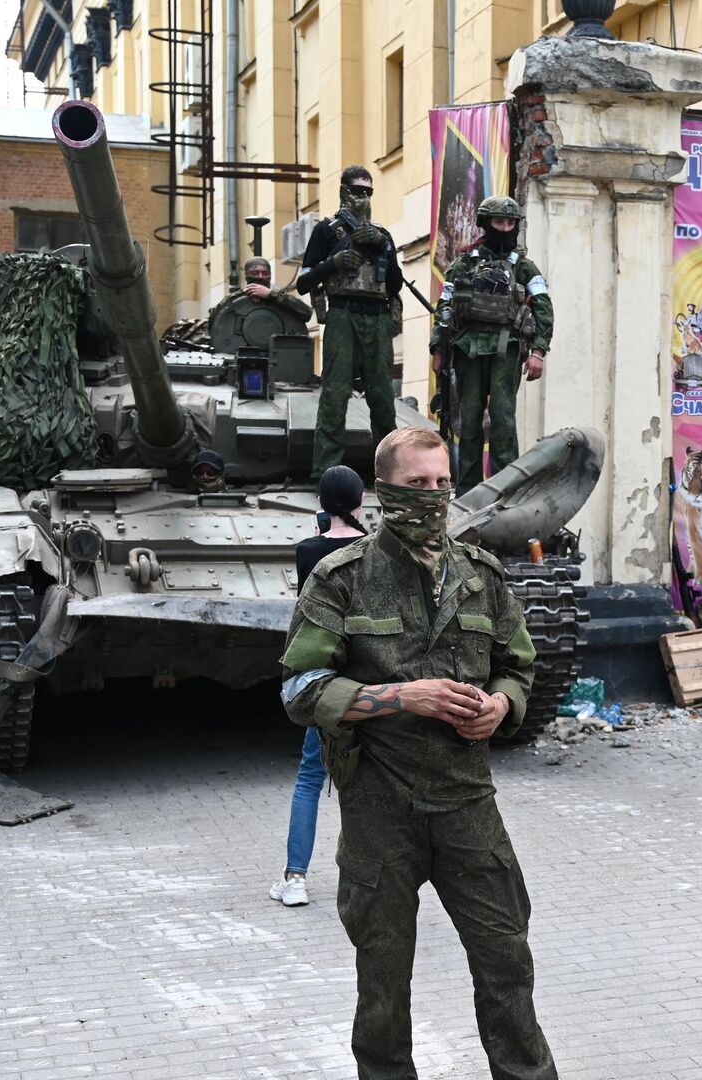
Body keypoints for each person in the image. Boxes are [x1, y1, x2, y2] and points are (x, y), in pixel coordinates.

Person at [278, 427, 556, 1078]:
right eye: (415, 486)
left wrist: (502, 707)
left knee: (507, 965)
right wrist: (403, 697)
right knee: (383, 990)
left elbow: (519, 667)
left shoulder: (480, 575)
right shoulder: (341, 578)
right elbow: (299, 687)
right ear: (383, 492)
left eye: (440, 484)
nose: (431, 497)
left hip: (466, 803)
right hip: (380, 806)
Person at [269, 465, 368, 908]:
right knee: (369, 779)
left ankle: (295, 879)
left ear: (322, 504)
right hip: (370, 680)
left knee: (311, 777)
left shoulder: (308, 549)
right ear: (362, 499)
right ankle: (372, 876)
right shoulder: (375, 549)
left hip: (325, 679)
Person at [431, 196, 555, 494]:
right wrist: (438, 349)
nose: (504, 227)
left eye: (510, 223)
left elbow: (543, 309)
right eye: (499, 222)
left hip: (505, 348)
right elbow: (445, 307)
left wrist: (538, 351)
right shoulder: (463, 263)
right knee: (469, 423)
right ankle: (468, 492)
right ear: (486, 223)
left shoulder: (525, 267)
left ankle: (505, 491)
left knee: (503, 421)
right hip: (468, 350)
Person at [293, 165, 403, 483]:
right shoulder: (327, 231)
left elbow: (393, 284)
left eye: (368, 191)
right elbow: (303, 282)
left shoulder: (384, 235)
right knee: (335, 394)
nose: (363, 197)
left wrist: (383, 246)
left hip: (378, 318)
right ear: (344, 191)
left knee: (382, 397)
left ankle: (389, 473)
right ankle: (326, 473)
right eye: (357, 190)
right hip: (342, 315)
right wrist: (335, 262)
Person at [208, 255, 314, 327]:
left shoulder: (280, 298)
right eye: (254, 273)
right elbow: (214, 322)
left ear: (270, 275)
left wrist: (271, 295)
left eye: (264, 273)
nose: (260, 277)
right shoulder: (234, 299)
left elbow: (306, 313)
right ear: (246, 275)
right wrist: (242, 295)